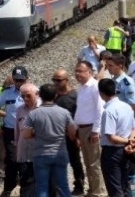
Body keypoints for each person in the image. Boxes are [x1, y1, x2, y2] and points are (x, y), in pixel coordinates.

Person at [22, 83, 75, 197]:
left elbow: (26, 135)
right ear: (55, 95)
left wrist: (36, 134)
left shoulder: (33, 114)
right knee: (63, 186)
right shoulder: (64, 112)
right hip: (60, 152)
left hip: (41, 154)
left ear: (40, 96)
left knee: (42, 187)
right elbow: (72, 132)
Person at [0, 66, 29, 197]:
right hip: (10, 131)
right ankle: (8, 189)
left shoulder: (33, 92)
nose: (19, 83)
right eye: (16, 80)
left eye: (21, 80)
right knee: (12, 160)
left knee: (25, 161)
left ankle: (26, 189)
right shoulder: (6, 93)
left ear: (27, 79)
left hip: (27, 132)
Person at [98, 78, 135, 197]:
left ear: (101, 93)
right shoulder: (126, 106)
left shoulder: (109, 111)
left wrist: (129, 140)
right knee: (125, 184)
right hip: (126, 150)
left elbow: (111, 137)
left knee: (114, 187)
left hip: (112, 152)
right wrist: (131, 141)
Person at [73, 60, 107, 197]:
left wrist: (96, 130)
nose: (77, 74)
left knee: (95, 163)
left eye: (80, 71)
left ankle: (99, 192)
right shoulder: (81, 88)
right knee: (87, 162)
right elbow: (81, 110)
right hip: (82, 129)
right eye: (76, 71)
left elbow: (100, 109)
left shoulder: (95, 86)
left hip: (91, 129)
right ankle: (92, 190)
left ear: (89, 72)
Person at [52, 67, 86, 196]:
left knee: (74, 160)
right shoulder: (53, 96)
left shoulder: (75, 96)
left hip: (70, 134)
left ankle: (79, 184)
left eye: (58, 80)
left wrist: (77, 136)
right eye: (54, 80)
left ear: (66, 80)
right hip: (56, 135)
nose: (55, 83)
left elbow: (78, 116)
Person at [14, 83, 40, 197]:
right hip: (24, 153)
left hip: (40, 154)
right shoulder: (20, 110)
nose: (25, 98)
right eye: (23, 96)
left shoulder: (44, 109)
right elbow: (17, 131)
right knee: (26, 184)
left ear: (37, 94)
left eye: (28, 95)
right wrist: (16, 146)